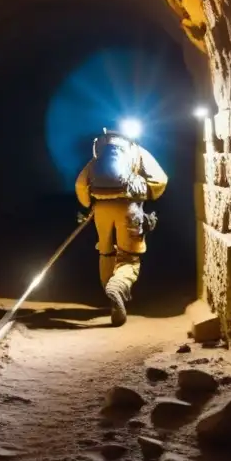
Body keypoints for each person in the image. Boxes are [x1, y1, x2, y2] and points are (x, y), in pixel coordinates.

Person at [75, 127, 167, 326]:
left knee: (106, 252)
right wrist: (144, 192)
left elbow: (81, 185)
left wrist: (89, 204)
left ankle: (112, 298)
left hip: (101, 210)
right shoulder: (137, 152)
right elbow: (160, 179)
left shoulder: (99, 156)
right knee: (129, 257)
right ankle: (117, 287)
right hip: (128, 208)